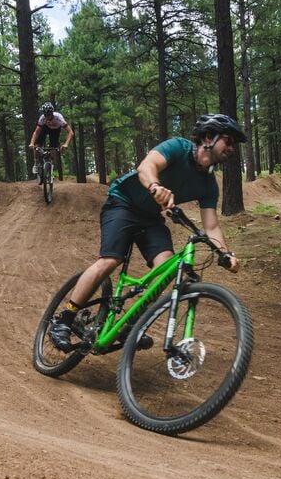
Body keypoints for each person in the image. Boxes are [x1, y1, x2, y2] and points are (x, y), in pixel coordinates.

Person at [49, 113, 245, 351]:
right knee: (110, 260)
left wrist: (225, 254)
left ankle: (128, 326)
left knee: (166, 268)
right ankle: (64, 320)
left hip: (151, 218)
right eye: (228, 140)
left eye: (234, 143)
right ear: (208, 137)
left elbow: (211, 226)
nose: (232, 148)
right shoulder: (177, 147)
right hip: (123, 203)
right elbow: (147, 165)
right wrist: (154, 185)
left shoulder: (209, 184)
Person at [29, 102, 74, 181]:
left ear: (52, 113)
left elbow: (70, 132)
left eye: (48, 114)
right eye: (45, 114)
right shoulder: (42, 118)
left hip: (55, 130)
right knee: (37, 145)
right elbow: (36, 132)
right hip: (45, 128)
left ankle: (51, 168)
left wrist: (66, 144)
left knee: (53, 147)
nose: (46, 116)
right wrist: (32, 143)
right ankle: (36, 163)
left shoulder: (59, 118)